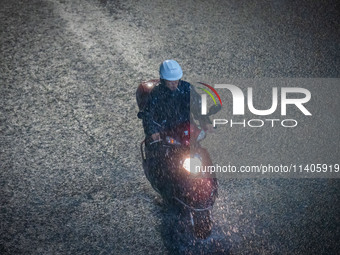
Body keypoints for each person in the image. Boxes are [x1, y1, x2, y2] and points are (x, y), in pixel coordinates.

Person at [142, 59, 213, 144]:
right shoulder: (156, 94)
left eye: (176, 81)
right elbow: (148, 114)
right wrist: (153, 131)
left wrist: (205, 121)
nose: (174, 84)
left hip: (187, 129)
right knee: (157, 151)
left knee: (202, 151)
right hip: (166, 133)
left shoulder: (187, 88)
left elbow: (198, 105)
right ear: (163, 80)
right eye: (170, 82)